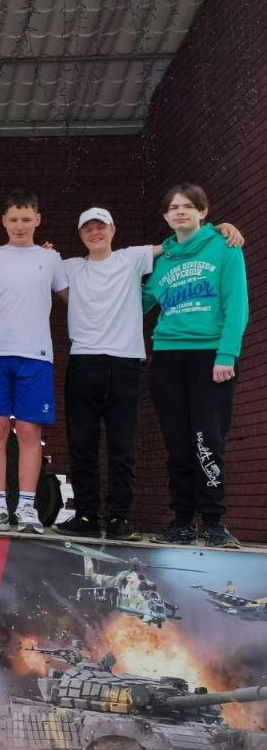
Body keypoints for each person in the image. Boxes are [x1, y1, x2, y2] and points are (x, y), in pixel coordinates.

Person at [144, 184, 248, 549]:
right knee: (177, 442)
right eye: (173, 207)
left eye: (188, 206)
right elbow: (140, 303)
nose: (180, 212)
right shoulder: (163, 260)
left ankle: (214, 522)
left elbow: (237, 304)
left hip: (209, 355)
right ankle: (183, 521)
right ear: (166, 216)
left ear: (203, 212)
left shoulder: (225, 245)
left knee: (208, 440)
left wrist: (227, 354)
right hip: (167, 357)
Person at [0, 190, 69, 534]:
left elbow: (75, 298)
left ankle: (27, 507)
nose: (20, 225)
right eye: (13, 219)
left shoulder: (51, 259)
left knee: (29, 431)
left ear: (37, 220)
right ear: (4, 221)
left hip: (36, 356)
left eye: (26, 219)